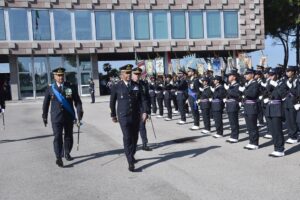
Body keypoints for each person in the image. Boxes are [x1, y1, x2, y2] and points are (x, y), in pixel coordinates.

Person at [42, 67, 83, 167]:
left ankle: (67, 152)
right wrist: (44, 116)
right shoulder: (50, 88)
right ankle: (59, 158)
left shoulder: (71, 87)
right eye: (58, 75)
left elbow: (77, 102)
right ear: (54, 76)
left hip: (69, 116)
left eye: (62, 75)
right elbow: (46, 103)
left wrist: (79, 113)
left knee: (69, 136)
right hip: (56, 117)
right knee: (57, 137)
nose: (61, 77)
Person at [110, 64, 147, 172]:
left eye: (129, 73)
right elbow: (112, 102)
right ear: (121, 75)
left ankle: (132, 154)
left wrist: (145, 111)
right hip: (123, 116)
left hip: (135, 115)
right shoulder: (116, 86)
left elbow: (142, 99)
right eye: (126, 73)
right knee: (127, 137)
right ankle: (130, 161)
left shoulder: (136, 85)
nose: (129, 75)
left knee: (135, 138)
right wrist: (113, 114)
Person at [264, 68, 285, 157]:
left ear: (277, 75)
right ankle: (276, 148)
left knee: (277, 129)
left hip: (277, 108)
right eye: (270, 74)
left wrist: (276, 85)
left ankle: (280, 149)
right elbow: (266, 92)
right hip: (270, 107)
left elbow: (283, 94)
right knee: (272, 130)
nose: (270, 76)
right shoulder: (269, 83)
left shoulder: (282, 83)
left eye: (272, 75)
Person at [131, 67, 151, 151]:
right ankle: (133, 145)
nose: (137, 76)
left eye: (139, 74)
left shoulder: (143, 84)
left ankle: (144, 144)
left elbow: (147, 97)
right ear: (132, 74)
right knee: (132, 129)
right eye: (135, 74)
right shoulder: (130, 84)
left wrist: (147, 111)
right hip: (132, 109)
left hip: (142, 109)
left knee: (142, 126)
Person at [239, 68, 260, 150]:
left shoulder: (255, 83)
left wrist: (244, 91)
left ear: (252, 75)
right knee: (249, 126)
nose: (245, 75)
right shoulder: (247, 83)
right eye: (245, 74)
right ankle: (251, 141)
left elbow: (253, 94)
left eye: (247, 74)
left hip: (252, 106)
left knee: (253, 125)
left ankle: (255, 143)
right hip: (247, 106)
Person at [224, 69, 242, 143]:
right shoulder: (230, 85)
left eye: (230, 76)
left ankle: (235, 136)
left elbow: (237, 95)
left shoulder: (237, 85)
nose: (228, 77)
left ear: (234, 77)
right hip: (229, 104)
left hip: (234, 104)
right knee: (231, 121)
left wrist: (229, 90)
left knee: (234, 121)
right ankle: (232, 135)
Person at [283, 66, 299, 144]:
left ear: (293, 72)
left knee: (293, 120)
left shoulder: (297, 80)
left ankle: (294, 136)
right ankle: (291, 135)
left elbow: (297, 92)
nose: (287, 72)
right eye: (287, 71)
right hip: (287, 101)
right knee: (288, 120)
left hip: (294, 101)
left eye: (289, 71)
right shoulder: (287, 80)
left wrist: (298, 102)